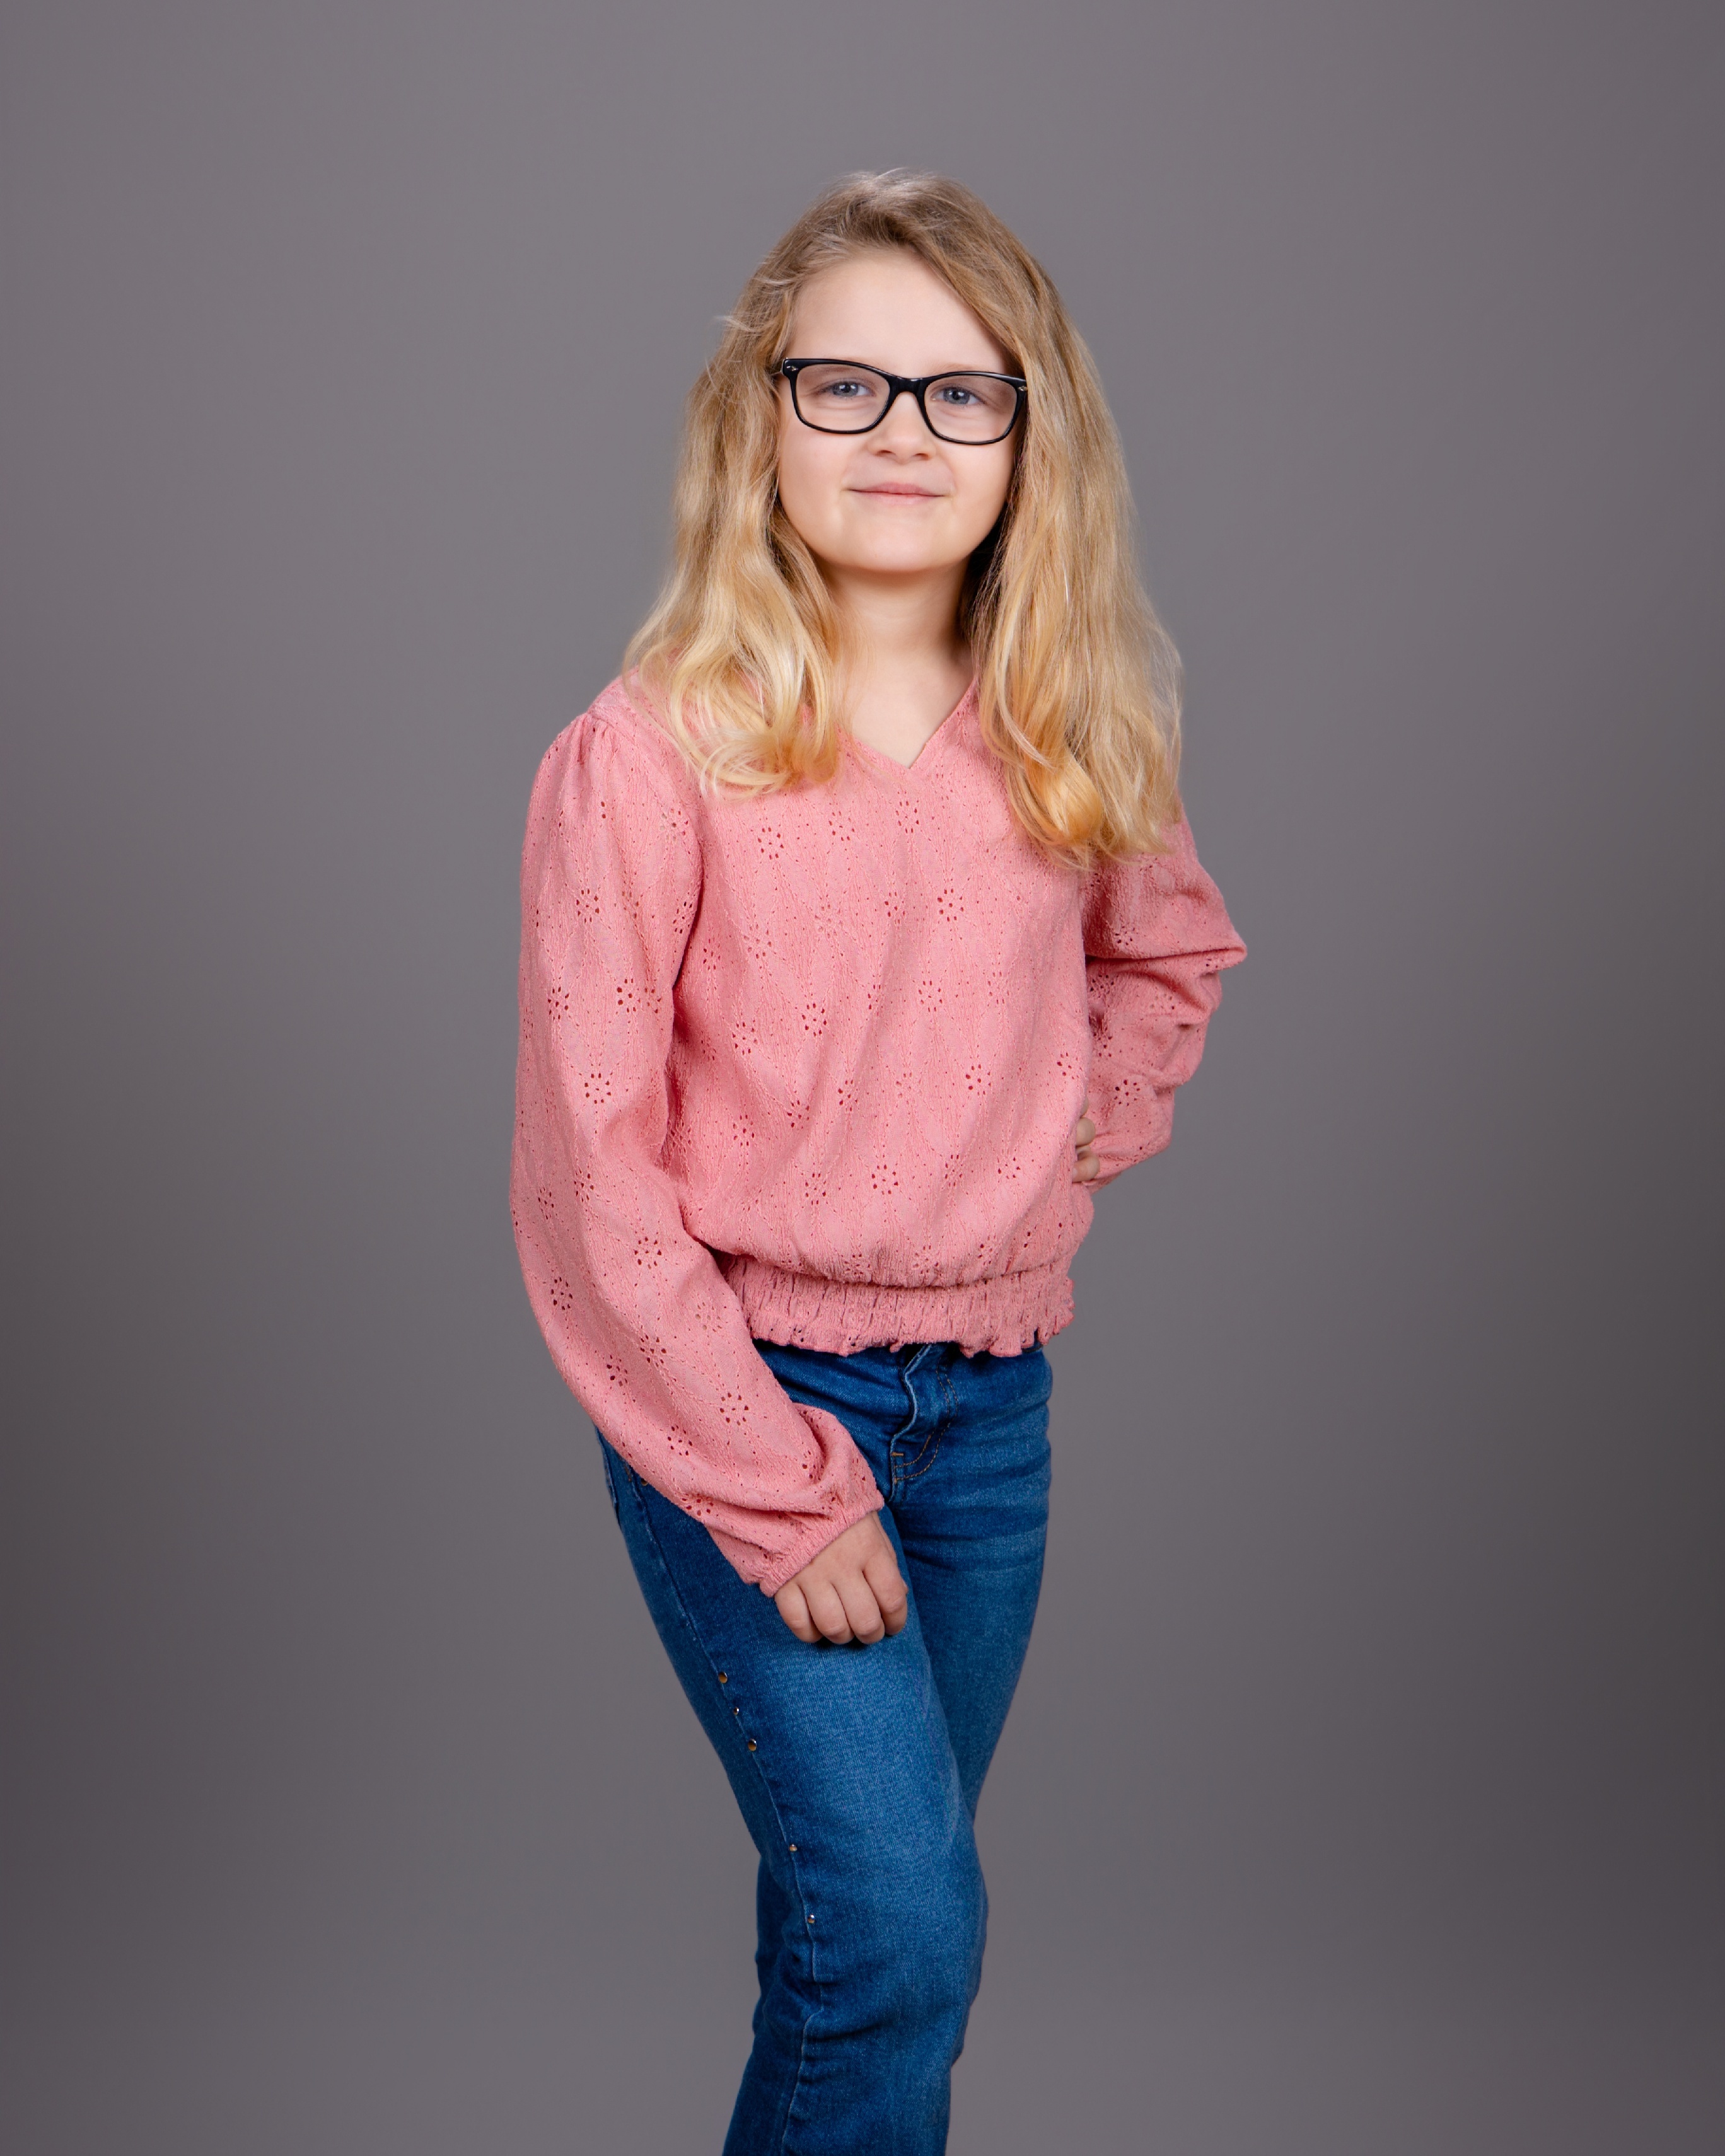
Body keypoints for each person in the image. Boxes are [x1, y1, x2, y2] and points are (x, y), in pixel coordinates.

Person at [511, 170, 1246, 2156]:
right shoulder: (653, 753)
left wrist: (1060, 1143)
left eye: (958, 393)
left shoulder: (1067, 719)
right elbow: (592, 1179)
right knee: (906, 1936)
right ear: (757, 415)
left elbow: (1168, 955)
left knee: (856, 1939)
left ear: (1029, 434)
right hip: (748, 1400)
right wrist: (773, 1483)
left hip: (990, 1420)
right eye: (843, 385)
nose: (900, 434)